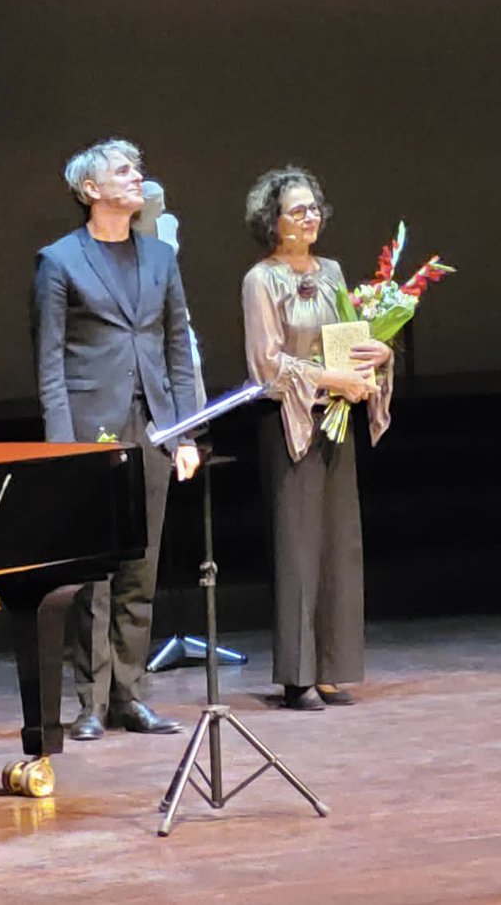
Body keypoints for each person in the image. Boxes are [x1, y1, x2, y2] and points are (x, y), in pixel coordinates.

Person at [31, 138, 201, 739]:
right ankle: (91, 702)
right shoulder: (59, 261)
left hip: (153, 424)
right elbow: (49, 361)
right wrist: (62, 449)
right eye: (124, 171)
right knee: (94, 571)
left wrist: (188, 432)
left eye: (137, 169)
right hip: (89, 428)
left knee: (141, 566)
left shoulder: (159, 258)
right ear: (91, 190)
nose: (138, 177)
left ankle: (131, 693)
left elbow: (177, 348)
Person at [241, 166, 393, 711]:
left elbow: (347, 337)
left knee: (336, 543)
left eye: (314, 208)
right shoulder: (262, 279)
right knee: (298, 549)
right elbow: (267, 364)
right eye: (297, 210)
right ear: (273, 221)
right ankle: (296, 676)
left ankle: (332, 667)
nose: (310, 218)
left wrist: (378, 355)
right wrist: (330, 379)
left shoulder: (331, 271)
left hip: (336, 416)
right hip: (290, 421)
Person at [134, 179, 208, 410]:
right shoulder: (128, 231)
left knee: (192, 363)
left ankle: (194, 423)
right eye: (157, 202)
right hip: (143, 304)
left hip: (170, 300)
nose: (163, 206)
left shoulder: (168, 223)